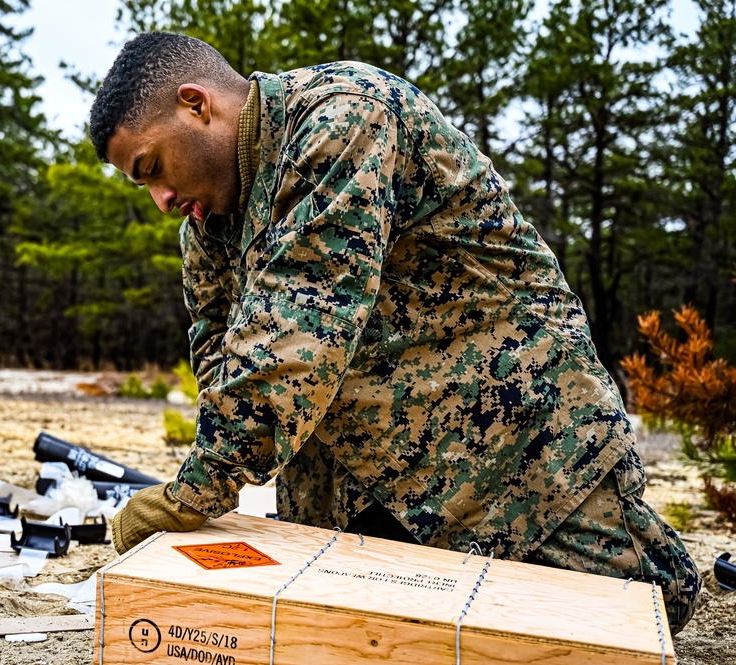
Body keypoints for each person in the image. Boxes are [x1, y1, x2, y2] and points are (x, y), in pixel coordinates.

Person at [87, 32, 701, 632]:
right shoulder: (207, 226)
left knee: (638, 610)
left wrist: (194, 493)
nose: (161, 198)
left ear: (196, 105)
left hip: (513, 438)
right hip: (361, 472)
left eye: (153, 168)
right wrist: (215, 469)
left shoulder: (342, 119)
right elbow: (220, 357)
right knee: (362, 634)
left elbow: (294, 340)